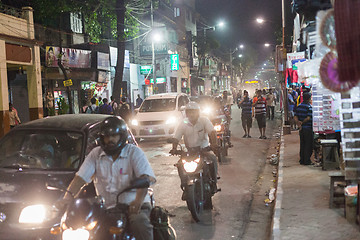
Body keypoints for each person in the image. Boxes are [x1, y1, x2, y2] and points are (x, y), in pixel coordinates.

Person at [58, 117, 156, 240]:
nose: (110, 140)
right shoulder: (95, 154)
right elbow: (80, 178)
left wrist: (137, 201)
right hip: (106, 207)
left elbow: (145, 178)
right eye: (106, 136)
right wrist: (67, 198)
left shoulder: (134, 153)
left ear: (121, 136)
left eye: (114, 136)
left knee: (139, 223)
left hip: (133, 205)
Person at [170, 102, 220, 192]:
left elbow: (212, 132)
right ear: (186, 113)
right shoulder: (183, 123)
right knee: (180, 164)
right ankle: (184, 184)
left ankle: (214, 183)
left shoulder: (204, 120)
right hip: (189, 151)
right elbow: (176, 137)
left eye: (194, 112)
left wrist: (214, 144)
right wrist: (174, 148)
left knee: (213, 159)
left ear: (198, 112)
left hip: (203, 149)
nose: (191, 114)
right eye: (189, 112)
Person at [294, 92, 313, 165]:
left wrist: (298, 124)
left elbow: (295, 116)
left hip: (301, 129)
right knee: (308, 145)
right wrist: (302, 122)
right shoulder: (309, 107)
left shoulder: (299, 106)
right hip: (308, 128)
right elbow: (308, 118)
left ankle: (302, 160)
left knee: (303, 144)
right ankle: (307, 161)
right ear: (309, 98)